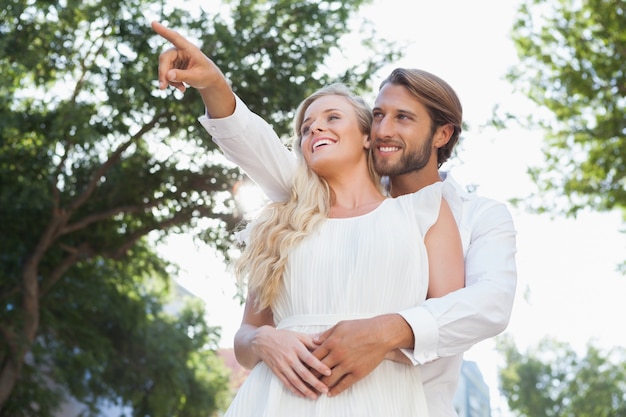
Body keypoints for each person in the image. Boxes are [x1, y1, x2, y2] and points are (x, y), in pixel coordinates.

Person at [153, 21, 517, 417]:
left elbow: (489, 304)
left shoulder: (467, 214)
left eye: (403, 118)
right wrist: (213, 85)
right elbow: (260, 149)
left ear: (442, 135)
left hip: (406, 402)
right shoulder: (303, 205)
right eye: (377, 115)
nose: (383, 130)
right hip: (277, 399)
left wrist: (382, 334)